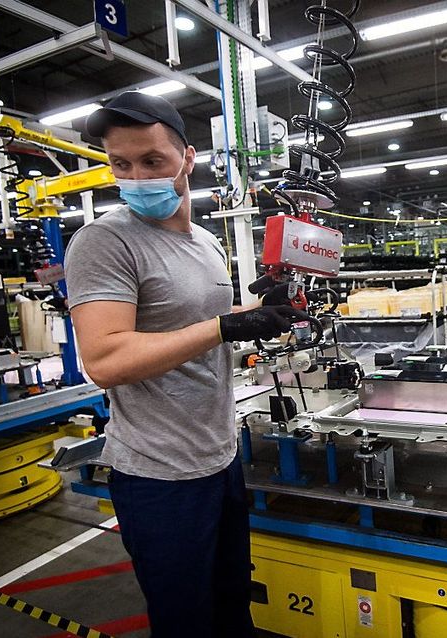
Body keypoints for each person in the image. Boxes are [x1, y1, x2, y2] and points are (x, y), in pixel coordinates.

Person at [65, 91, 309, 637]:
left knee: (232, 608)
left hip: (219, 459)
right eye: (120, 164)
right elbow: (104, 359)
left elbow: (192, 325)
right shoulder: (103, 242)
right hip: (159, 476)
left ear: (189, 158)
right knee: (186, 623)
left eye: (152, 161)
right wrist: (226, 326)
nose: (136, 177)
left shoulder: (204, 242)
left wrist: (260, 312)